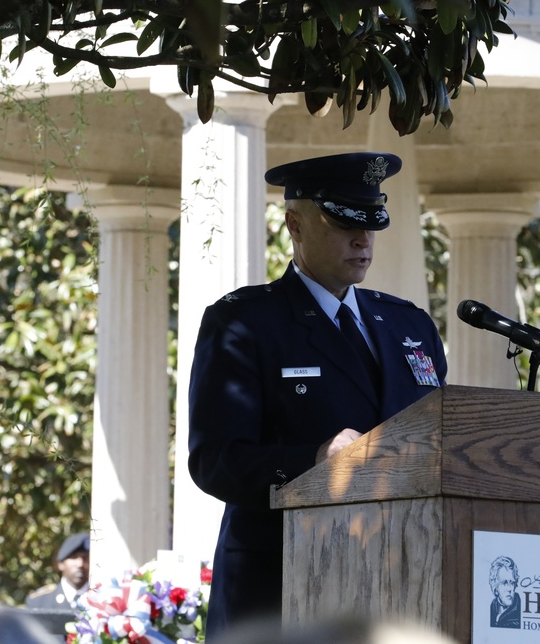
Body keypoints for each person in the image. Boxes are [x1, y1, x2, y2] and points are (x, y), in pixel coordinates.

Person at [188, 151, 448, 639]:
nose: (362, 239)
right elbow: (215, 461)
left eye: (371, 225)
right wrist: (315, 459)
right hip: (282, 584)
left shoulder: (409, 324)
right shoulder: (245, 322)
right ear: (295, 225)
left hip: (401, 577)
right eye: (342, 223)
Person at [25, 532, 90, 611]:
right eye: (74, 558)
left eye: (85, 558)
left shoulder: (102, 600)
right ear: (61, 564)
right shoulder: (40, 602)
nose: (80, 564)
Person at [488, 556, 521, 629]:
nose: (509, 588)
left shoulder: (517, 617)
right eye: (504, 583)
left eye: (512, 583)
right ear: (495, 586)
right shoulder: (492, 607)